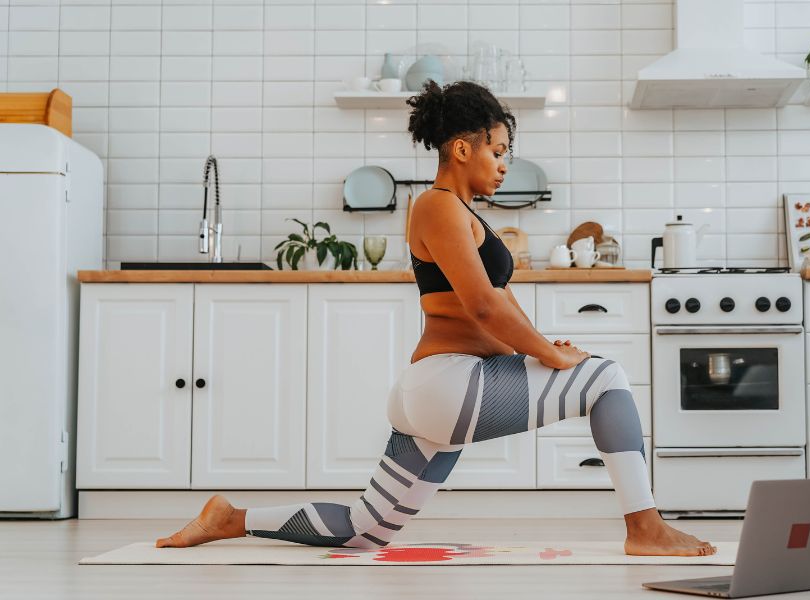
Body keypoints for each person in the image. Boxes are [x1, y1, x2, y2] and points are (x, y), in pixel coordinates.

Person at [156, 81, 716, 557]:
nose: (504, 164)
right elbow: (481, 306)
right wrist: (549, 356)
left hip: (437, 390)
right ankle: (645, 527)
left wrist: (541, 347)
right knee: (608, 378)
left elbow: (496, 298)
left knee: (366, 530)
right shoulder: (436, 204)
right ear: (461, 148)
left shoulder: (464, 214)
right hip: (449, 384)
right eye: (498, 150)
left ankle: (231, 518)